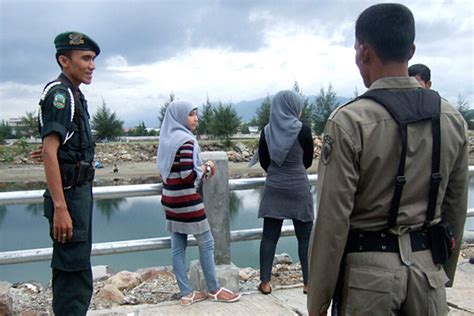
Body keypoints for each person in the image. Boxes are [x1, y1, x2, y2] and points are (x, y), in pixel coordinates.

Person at [307, 3, 468, 316]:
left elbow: (332, 221)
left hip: (367, 283)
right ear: (411, 49)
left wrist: (318, 303)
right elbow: (455, 207)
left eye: (356, 50)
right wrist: (442, 273)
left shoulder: (349, 121)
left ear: (364, 52)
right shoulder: (451, 118)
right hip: (428, 274)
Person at [37, 31, 100, 315]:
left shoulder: (75, 94)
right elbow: (50, 151)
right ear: (64, 60)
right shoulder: (61, 94)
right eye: (85, 58)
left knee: (78, 271)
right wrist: (61, 208)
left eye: (93, 59)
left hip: (77, 194)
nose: (92, 65)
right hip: (69, 197)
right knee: (72, 274)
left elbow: (57, 146)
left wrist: (53, 152)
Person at [156, 100, 241, 306]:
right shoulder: (186, 141)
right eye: (191, 114)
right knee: (207, 242)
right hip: (187, 200)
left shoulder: (167, 139)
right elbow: (187, 174)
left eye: (196, 114)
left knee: (178, 247)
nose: (196, 118)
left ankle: (186, 293)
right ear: (179, 116)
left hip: (170, 199)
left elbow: (170, 170)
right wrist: (207, 168)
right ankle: (213, 289)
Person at [256, 90, 314, 295]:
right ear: (292, 107)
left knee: (269, 237)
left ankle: (265, 283)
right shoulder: (304, 130)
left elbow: (264, 161)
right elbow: (307, 161)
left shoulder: (266, 131)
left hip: (274, 187)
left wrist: (278, 173)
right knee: (305, 238)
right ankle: (308, 284)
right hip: (298, 186)